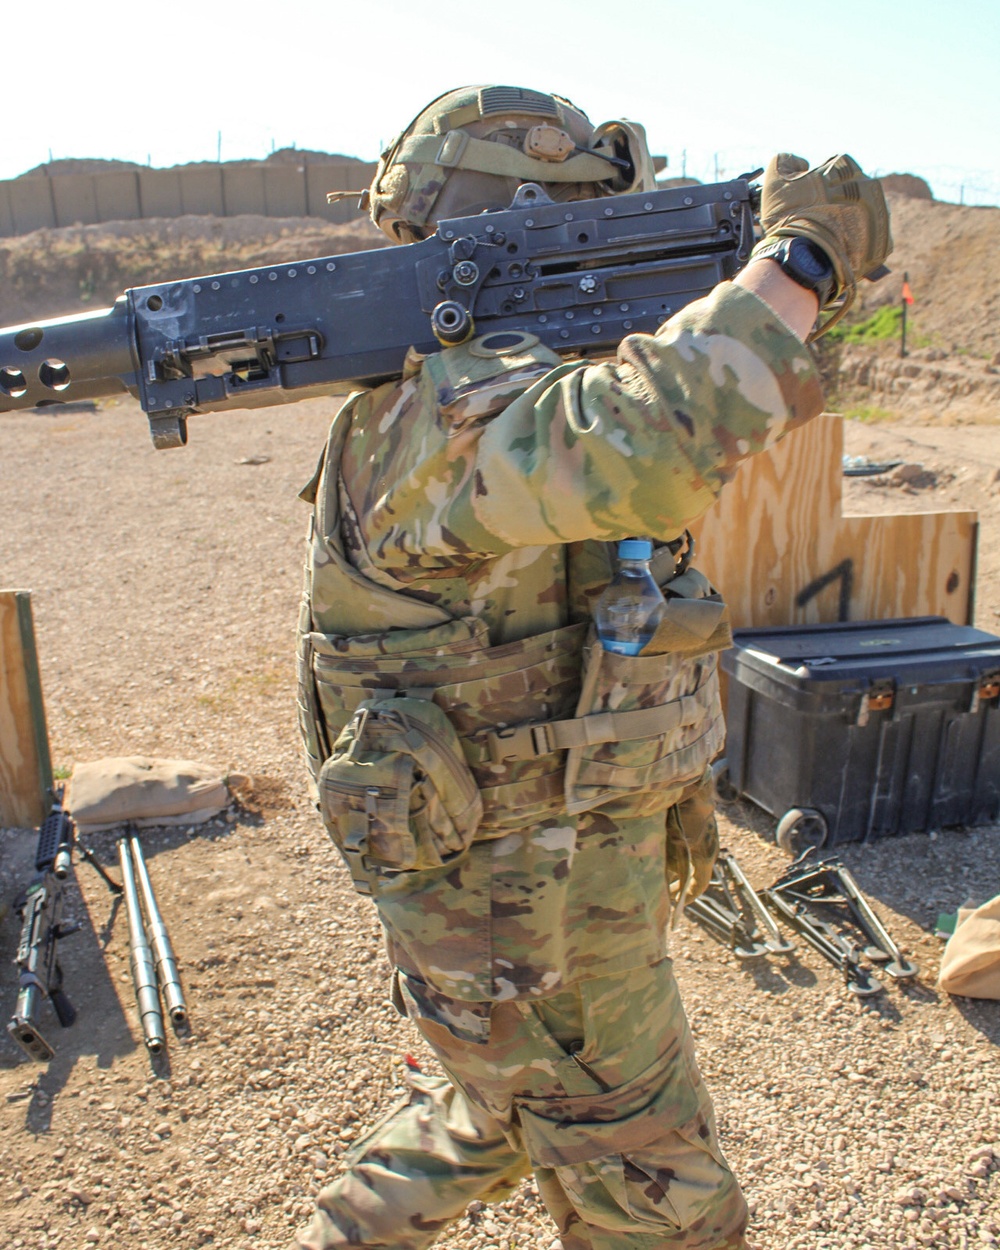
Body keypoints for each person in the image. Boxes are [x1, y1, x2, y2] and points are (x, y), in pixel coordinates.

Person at [292, 85, 891, 1250]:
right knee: (662, 1200)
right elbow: (658, 437)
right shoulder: (439, 422)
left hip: (534, 879)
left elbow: (740, 400)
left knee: (490, 1109)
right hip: (527, 910)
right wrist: (801, 256)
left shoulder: (479, 393)